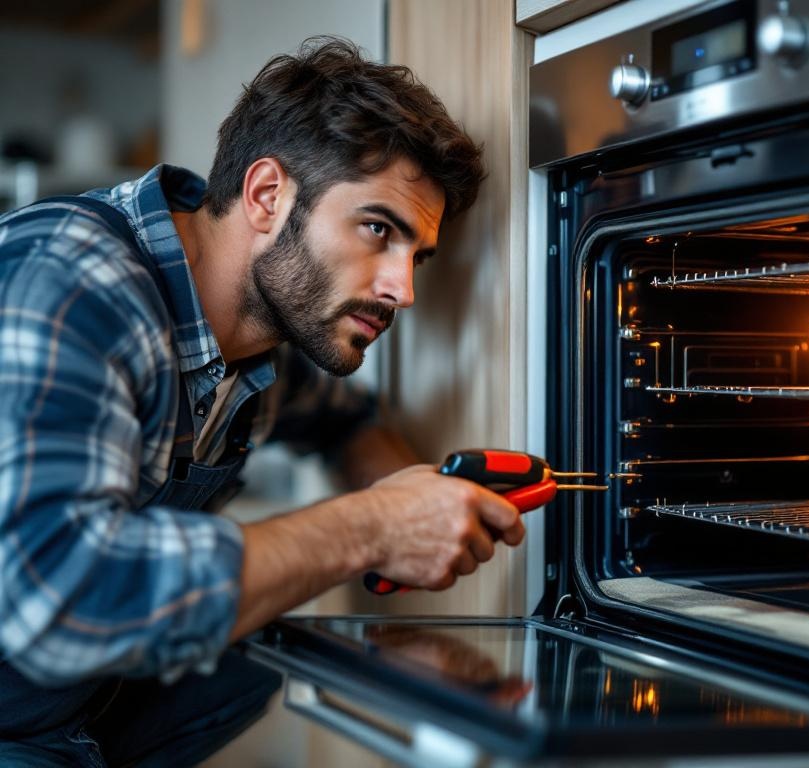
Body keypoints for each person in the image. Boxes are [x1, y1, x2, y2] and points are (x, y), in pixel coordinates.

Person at [0, 37, 525, 766]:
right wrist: (372, 526)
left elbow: (348, 421)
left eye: (419, 257)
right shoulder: (74, 284)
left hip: (67, 711)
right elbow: (54, 597)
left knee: (258, 652)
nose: (403, 289)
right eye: (379, 230)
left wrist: (418, 512)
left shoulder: (258, 348)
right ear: (268, 196)